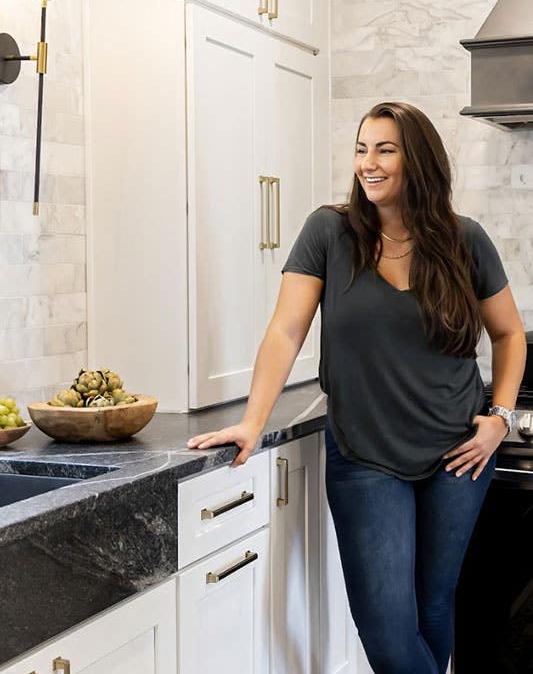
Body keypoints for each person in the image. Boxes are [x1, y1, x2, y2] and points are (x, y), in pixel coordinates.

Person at [187, 101, 526, 674]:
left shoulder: (465, 240)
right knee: (388, 629)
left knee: (433, 607)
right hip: (365, 454)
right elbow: (286, 330)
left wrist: (500, 416)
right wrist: (253, 420)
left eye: (385, 149)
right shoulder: (329, 231)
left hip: (459, 452)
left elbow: (510, 333)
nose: (368, 163)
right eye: (362, 149)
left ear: (417, 160)